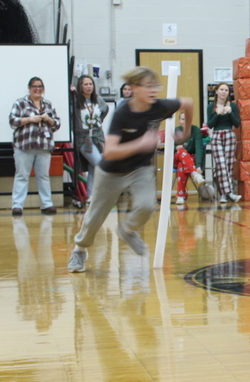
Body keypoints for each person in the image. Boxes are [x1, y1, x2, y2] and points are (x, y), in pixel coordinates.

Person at [67, 66, 194, 272]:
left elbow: (188, 103)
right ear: (134, 88)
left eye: (156, 86)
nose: (153, 90)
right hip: (111, 172)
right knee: (95, 217)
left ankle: (127, 229)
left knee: (146, 205)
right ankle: (79, 250)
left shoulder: (159, 106)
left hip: (140, 169)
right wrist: (141, 144)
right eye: (148, 86)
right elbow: (109, 151)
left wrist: (186, 131)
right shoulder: (123, 113)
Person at [8, 77, 61, 216]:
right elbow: (12, 121)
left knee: (43, 176)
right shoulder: (20, 103)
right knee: (22, 176)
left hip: (44, 146)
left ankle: (46, 204)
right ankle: (17, 206)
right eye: (34, 86)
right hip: (24, 146)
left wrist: (48, 119)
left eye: (40, 86)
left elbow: (57, 124)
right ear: (29, 88)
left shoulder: (48, 104)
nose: (37, 89)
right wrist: (29, 119)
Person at [72, 75, 109, 206]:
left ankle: (91, 195)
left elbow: (105, 110)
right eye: (85, 84)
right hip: (83, 138)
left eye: (90, 84)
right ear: (80, 86)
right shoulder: (76, 101)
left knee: (93, 167)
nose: (88, 87)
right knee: (99, 163)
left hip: (98, 137)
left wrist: (99, 123)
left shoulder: (98, 100)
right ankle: (102, 193)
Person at [207, 81, 242, 203]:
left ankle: (224, 194)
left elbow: (237, 124)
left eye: (226, 90)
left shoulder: (232, 106)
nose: (224, 92)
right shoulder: (211, 107)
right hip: (216, 136)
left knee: (228, 165)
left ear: (228, 93)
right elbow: (210, 125)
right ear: (216, 91)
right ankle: (230, 193)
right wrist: (217, 114)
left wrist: (230, 112)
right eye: (221, 89)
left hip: (229, 135)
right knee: (221, 165)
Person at [172, 112, 211, 205]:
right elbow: (170, 148)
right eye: (182, 119)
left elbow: (198, 148)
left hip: (190, 161)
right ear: (179, 121)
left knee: (182, 166)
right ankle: (195, 175)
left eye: (187, 119)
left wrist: (198, 165)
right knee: (181, 151)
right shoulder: (176, 131)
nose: (184, 121)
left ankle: (180, 196)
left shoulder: (196, 130)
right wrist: (176, 148)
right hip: (177, 157)